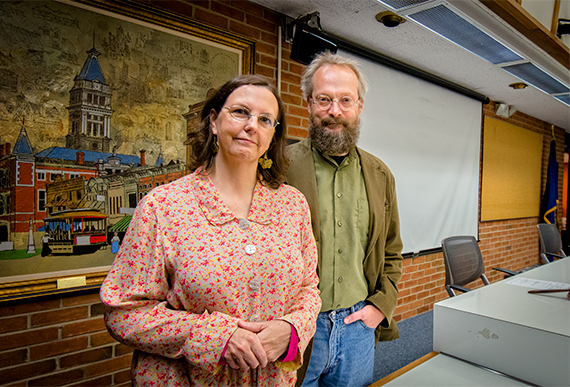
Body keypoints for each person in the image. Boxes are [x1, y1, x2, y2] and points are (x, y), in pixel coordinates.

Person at [100, 74, 321, 386]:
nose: (251, 125)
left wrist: (294, 329)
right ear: (215, 121)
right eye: (240, 112)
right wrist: (215, 337)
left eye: (265, 119)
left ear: (273, 136)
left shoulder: (293, 206)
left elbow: (308, 290)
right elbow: (122, 313)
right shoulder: (163, 207)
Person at [286, 52, 403, 387]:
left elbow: (392, 250)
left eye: (345, 100)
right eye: (324, 99)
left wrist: (381, 306)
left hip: (357, 328)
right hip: (298, 328)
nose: (334, 111)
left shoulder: (381, 175)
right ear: (308, 103)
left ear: (359, 106)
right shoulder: (279, 168)